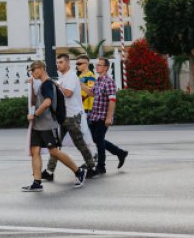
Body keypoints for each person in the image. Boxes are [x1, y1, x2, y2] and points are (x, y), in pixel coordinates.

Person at [22, 60, 86, 191]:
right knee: (35, 151)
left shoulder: (47, 84)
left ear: (41, 68)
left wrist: (34, 115)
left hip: (48, 124)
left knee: (54, 151)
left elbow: (47, 103)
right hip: (39, 125)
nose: (32, 73)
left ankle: (78, 171)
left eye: (33, 70)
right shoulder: (42, 84)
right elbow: (36, 101)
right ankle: (37, 183)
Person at [42, 53, 97, 181]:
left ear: (67, 63)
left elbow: (68, 93)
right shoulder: (63, 77)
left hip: (72, 115)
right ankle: (49, 171)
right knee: (56, 145)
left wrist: (57, 85)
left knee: (79, 143)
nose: (58, 65)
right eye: (57, 62)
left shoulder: (71, 76)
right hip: (63, 115)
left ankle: (92, 167)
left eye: (61, 62)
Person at [86, 57, 129, 173]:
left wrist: (109, 117)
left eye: (99, 65)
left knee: (99, 140)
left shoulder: (109, 82)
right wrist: (79, 83)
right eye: (96, 65)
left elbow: (112, 100)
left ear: (105, 68)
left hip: (103, 117)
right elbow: (91, 93)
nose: (96, 67)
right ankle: (120, 153)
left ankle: (101, 166)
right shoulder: (98, 80)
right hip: (94, 116)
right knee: (96, 139)